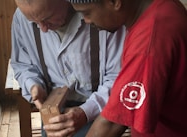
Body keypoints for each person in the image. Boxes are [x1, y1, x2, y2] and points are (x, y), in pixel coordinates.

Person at [68, 0, 187, 137]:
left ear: (114, 2)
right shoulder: (163, 6)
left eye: (87, 12)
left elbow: (113, 122)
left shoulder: (148, 42)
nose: (86, 21)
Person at [10, 0, 126, 136]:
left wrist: (86, 112)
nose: (43, 29)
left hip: (101, 110)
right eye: (34, 23)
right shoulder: (21, 18)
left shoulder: (101, 15)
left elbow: (119, 78)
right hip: (54, 111)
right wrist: (32, 84)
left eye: (47, 18)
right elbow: (22, 65)